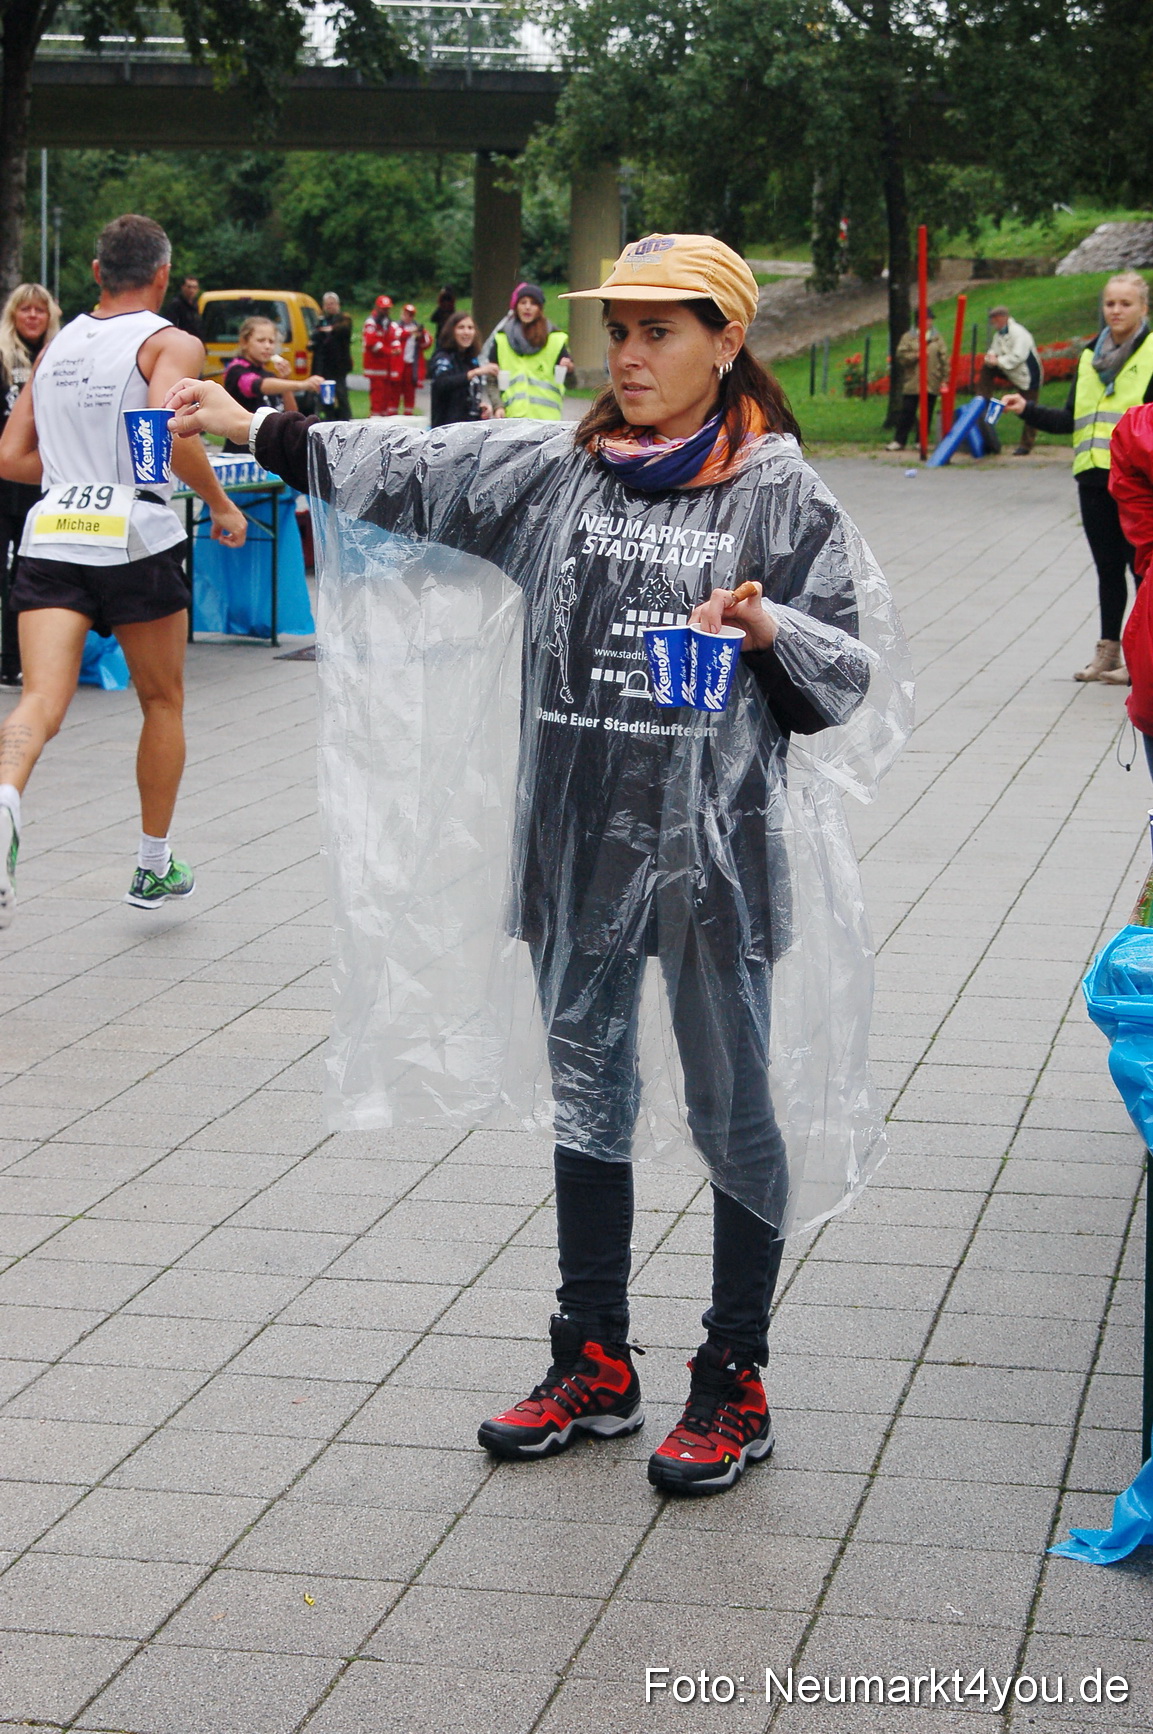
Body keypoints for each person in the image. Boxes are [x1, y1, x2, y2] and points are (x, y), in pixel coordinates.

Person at [164, 232, 911, 1498]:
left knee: (732, 1107)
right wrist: (254, 424)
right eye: (615, 330)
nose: (626, 354)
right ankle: (593, 1359)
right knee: (587, 1094)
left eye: (658, 331)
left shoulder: (778, 495)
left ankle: (734, 1377)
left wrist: (766, 622)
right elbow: (407, 466)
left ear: (728, 343)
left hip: (709, 866)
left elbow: (851, 677)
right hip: (572, 846)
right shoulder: (558, 473)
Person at [0, 213, 247, 932]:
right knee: (161, 700)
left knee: (42, 698)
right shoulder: (170, 340)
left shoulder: (57, 347)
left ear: (97, 272)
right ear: (164, 275)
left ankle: (6, 799)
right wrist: (222, 505)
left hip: (51, 531)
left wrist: (77, 472)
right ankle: (152, 862)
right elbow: (157, 436)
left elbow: (12, 456)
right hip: (134, 536)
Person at [1003, 271, 1153, 683]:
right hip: (1093, 480)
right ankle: (1108, 654)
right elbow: (1072, 419)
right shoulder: (1090, 357)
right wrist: (1026, 409)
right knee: (1107, 570)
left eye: (1125, 304)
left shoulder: (1152, 353)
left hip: (1140, 486)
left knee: (1143, 570)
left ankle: (1143, 658)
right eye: (1110, 304)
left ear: (1143, 308)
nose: (1116, 311)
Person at [0, 284, 60, 687]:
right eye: (26, 310)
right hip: (3, 476)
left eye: (41, 310)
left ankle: (12, 661)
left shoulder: (59, 357)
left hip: (38, 482)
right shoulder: (4, 358)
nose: (34, 317)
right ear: (14, 315)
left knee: (26, 576)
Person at [220, 316, 323, 454]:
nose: (267, 346)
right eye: (261, 340)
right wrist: (302, 384)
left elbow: (291, 414)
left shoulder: (270, 375)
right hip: (242, 451)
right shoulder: (236, 370)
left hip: (267, 452)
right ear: (244, 342)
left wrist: (285, 382)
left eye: (271, 341)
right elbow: (256, 385)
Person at [479, 282, 574, 420]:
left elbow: (571, 384)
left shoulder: (556, 340)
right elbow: (491, 380)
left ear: (540, 308)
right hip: (512, 419)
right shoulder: (502, 339)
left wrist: (570, 371)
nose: (527, 307)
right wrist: (498, 406)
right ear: (516, 306)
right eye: (523, 302)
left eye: (533, 303)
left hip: (547, 421)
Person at [977, 305, 1041, 455]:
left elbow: (1017, 358)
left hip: (1028, 375)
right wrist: (990, 358)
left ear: (1003, 318)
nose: (993, 324)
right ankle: (983, 398)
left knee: (1030, 410)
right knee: (987, 368)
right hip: (1010, 370)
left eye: (995, 320)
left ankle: (1026, 445)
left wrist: (997, 361)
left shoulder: (1019, 334)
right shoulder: (999, 335)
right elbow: (994, 351)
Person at [885, 306, 948, 452]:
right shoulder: (908, 337)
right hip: (913, 381)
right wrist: (915, 356)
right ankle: (899, 440)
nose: (930, 322)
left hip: (931, 381)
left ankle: (921, 440)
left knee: (927, 412)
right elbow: (901, 356)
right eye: (927, 319)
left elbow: (944, 359)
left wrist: (945, 378)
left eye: (931, 319)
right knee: (907, 411)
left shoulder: (937, 338)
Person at [427, 311, 497, 427]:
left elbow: (468, 395)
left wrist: (480, 408)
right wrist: (474, 373)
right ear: (452, 331)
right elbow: (441, 383)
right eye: (461, 328)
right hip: (446, 430)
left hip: (470, 430)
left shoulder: (471, 360)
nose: (466, 332)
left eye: (470, 328)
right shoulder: (443, 357)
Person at [310, 292, 353, 420]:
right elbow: (316, 336)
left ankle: (346, 418)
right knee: (326, 394)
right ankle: (330, 417)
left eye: (332, 304)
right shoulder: (322, 320)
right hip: (324, 365)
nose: (330, 307)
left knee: (341, 394)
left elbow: (344, 330)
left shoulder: (344, 318)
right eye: (327, 304)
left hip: (339, 364)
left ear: (337, 304)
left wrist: (331, 330)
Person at [362, 295, 404, 417]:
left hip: (386, 367)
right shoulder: (371, 323)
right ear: (377, 308)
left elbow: (394, 337)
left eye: (387, 308)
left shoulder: (388, 323)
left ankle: (384, 420)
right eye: (383, 308)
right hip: (374, 366)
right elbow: (372, 343)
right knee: (377, 396)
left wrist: (397, 347)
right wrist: (390, 351)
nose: (385, 311)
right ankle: (375, 420)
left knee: (386, 395)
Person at [397, 304, 431, 416]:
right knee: (395, 391)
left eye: (410, 315)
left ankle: (408, 414)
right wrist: (410, 332)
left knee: (410, 391)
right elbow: (395, 335)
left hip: (411, 365)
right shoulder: (396, 326)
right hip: (398, 364)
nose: (407, 317)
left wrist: (420, 334)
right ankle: (393, 415)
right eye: (406, 314)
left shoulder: (417, 328)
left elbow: (427, 342)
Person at [163, 273, 204, 342]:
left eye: (194, 287)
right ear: (183, 287)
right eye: (189, 287)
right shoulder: (175, 305)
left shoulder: (195, 305)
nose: (192, 290)